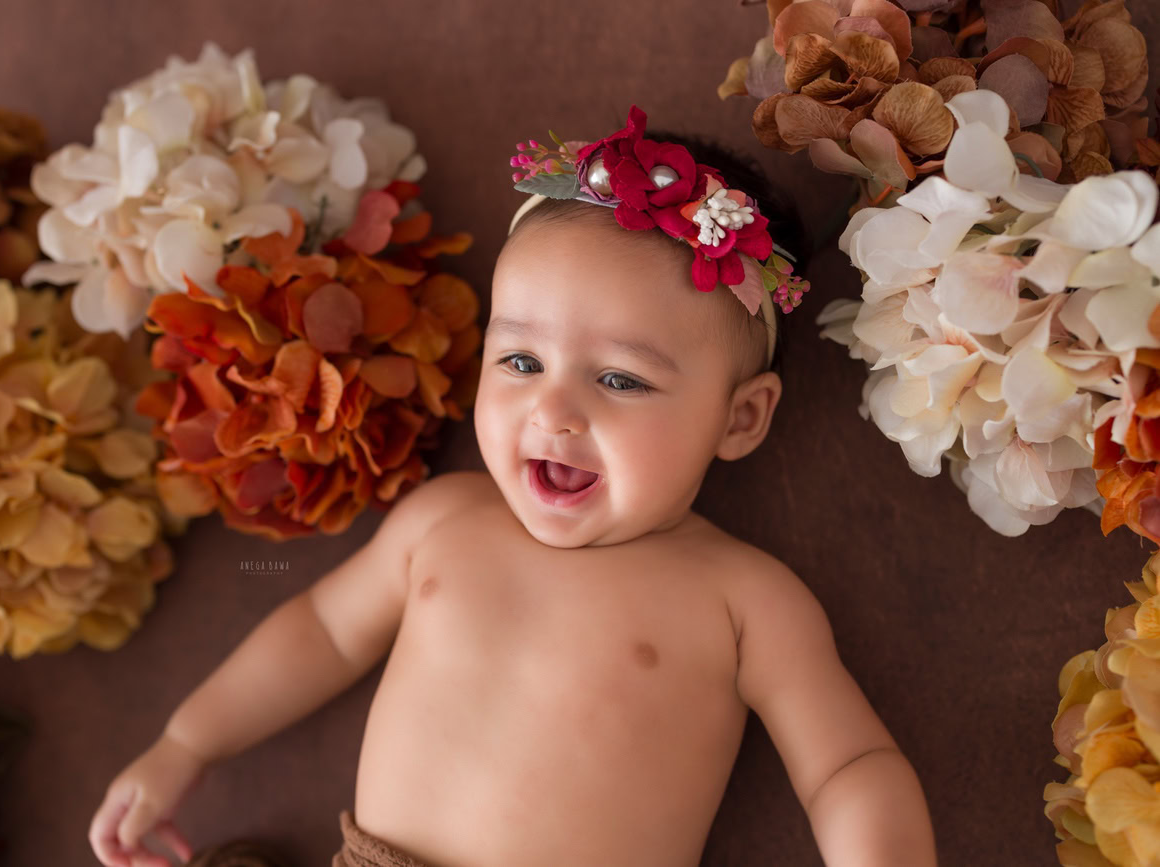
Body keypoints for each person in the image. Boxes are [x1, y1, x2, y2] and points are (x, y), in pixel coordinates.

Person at [89, 106, 937, 867]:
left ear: (740, 420)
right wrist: (184, 743)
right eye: (522, 361)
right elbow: (319, 631)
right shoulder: (445, 520)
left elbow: (847, 766)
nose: (554, 410)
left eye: (622, 380)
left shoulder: (745, 601)